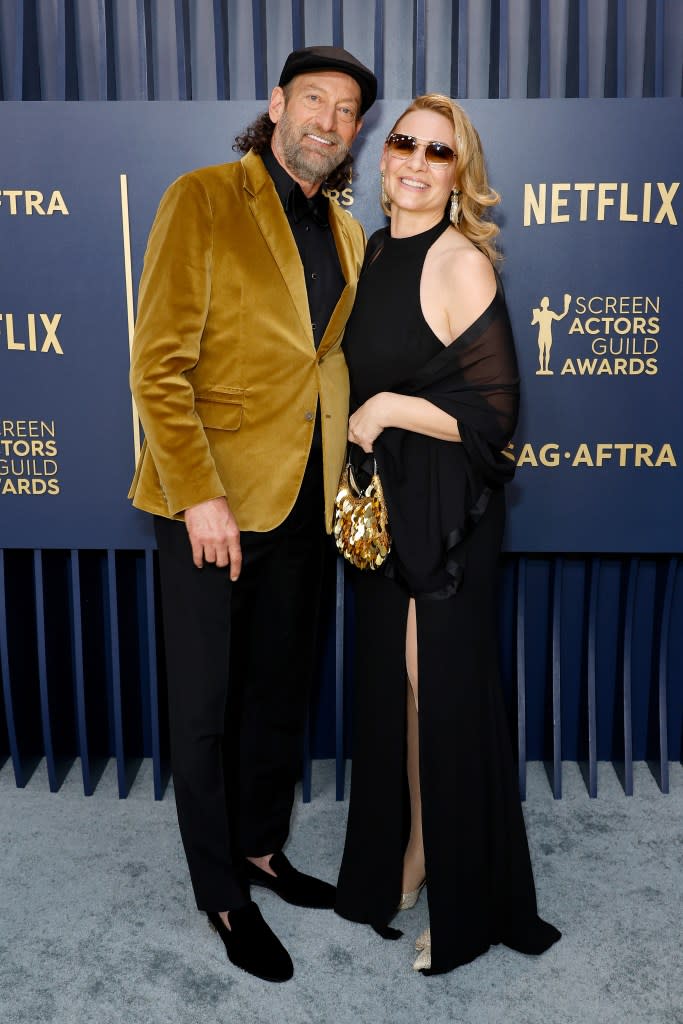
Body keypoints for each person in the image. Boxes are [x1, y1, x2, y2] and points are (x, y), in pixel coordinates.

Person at [129, 46, 377, 984]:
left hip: (306, 502)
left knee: (279, 691)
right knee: (205, 707)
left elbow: (329, 367)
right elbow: (158, 365)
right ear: (275, 106)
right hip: (214, 501)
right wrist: (199, 494)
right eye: (312, 98)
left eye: (346, 109)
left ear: (353, 132)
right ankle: (221, 895)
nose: (327, 118)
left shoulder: (348, 233)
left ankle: (263, 851)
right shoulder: (202, 197)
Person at [335, 94, 561, 975]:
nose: (418, 161)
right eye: (404, 143)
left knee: (444, 706)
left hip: (447, 513)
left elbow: (499, 415)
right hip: (390, 506)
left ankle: (467, 904)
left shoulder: (458, 259)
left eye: (440, 151)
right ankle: (417, 855)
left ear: (458, 175)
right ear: (383, 157)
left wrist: (389, 406)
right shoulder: (376, 250)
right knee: (400, 699)